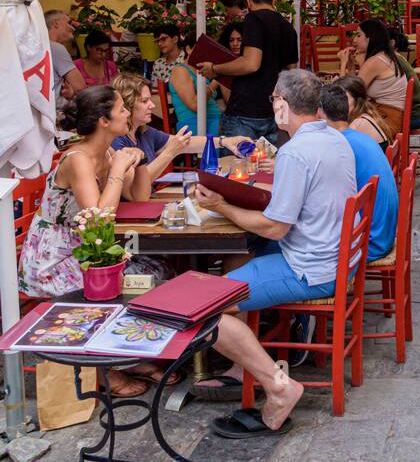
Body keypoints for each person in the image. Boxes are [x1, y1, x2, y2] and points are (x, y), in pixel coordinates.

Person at [193, 71, 358, 429]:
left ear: (282, 105)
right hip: (331, 258)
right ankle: (244, 365)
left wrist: (221, 206)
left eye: (273, 101)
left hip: (308, 268)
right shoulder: (335, 138)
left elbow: (275, 226)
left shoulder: (296, 152)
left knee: (203, 310)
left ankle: (277, 385)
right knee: (242, 260)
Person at [17, 87, 166, 398]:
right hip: (54, 258)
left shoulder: (110, 151)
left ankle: (124, 356)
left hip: (88, 249)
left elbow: (138, 196)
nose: (128, 114)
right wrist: (115, 173)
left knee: (155, 273)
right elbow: (97, 222)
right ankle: (106, 369)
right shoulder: (78, 159)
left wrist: (134, 162)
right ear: (103, 120)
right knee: (112, 290)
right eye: (122, 110)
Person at [112, 73, 252, 197]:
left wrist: (225, 141)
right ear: (126, 105)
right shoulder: (116, 141)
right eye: (144, 101)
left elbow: (187, 143)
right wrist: (170, 152)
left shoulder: (143, 131)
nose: (152, 105)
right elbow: (135, 187)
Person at [199, 0, 299, 145]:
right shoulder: (288, 27)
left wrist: (215, 68)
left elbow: (251, 63)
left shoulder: (254, 19)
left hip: (246, 110)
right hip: (275, 111)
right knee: (269, 168)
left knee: (235, 164)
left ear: (249, 2)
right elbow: (291, 71)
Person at [319, 83, 398, 261]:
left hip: (369, 243)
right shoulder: (358, 136)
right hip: (381, 234)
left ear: (320, 114)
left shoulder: (339, 145)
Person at [338, 18, 415, 138]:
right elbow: (355, 85)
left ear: (370, 38)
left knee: (338, 119)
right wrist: (351, 65)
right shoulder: (384, 55)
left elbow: (344, 94)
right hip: (391, 115)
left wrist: (342, 64)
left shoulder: (375, 61)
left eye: (359, 35)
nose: (354, 40)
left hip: (387, 120)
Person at [336, 75, 392, 147]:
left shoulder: (359, 123)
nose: (339, 104)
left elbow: (339, 147)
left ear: (357, 100)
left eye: (344, 99)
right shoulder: (366, 115)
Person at [45, 9, 85, 106]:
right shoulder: (56, 48)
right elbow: (80, 87)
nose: (73, 28)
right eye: (68, 22)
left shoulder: (40, 46)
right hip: (56, 113)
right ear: (56, 23)